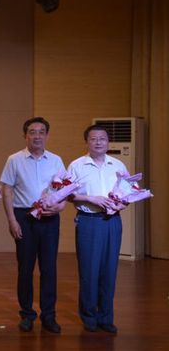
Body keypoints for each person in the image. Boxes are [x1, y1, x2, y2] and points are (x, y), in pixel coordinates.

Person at [0, 117, 66, 334]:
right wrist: (12, 220)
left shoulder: (56, 160)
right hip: (24, 217)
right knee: (25, 269)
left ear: (47, 135)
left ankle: (49, 316)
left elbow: (66, 190)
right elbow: (7, 190)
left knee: (49, 269)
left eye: (41, 132)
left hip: (49, 218)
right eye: (32, 132)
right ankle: (27, 314)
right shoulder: (14, 160)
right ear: (25, 135)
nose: (37, 136)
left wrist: (59, 207)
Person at [68, 125, 127, 334]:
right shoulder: (77, 165)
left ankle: (106, 317)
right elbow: (67, 194)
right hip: (88, 221)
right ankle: (89, 317)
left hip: (112, 221)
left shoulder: (118, 165)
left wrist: (122, 203)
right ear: (87, 142)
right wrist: (90, 198)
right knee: (89, 271)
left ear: (108, 142)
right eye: (94, 138)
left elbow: (127, 192)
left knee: (109, 271)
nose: (98, 142)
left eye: (102, 138)